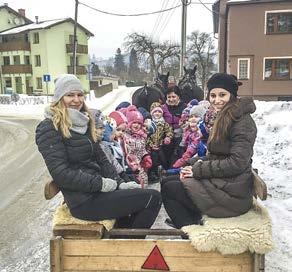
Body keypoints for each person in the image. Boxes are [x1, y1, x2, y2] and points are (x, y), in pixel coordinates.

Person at [35, 74, 161, 230]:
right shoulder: (49, 127)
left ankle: (120, 239)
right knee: (152, 198)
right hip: (83, 201)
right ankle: (127, 245)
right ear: (59, 97)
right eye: (70, 95)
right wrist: (100, 184)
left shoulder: (83, 122)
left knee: (137, 190)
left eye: (80, 95)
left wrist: (120, 183)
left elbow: (101, 159)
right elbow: (61, 174)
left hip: (97, 193)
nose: (76, 99)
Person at [161, 73, 257, 228]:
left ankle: (189, 230)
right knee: (168, 180)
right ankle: (189, 220)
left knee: (170, 189)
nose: (217, 100)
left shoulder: (242, 122)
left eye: (222, 95)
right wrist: (190, 163)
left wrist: (197, 170)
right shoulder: (226, 115)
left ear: (232, 95)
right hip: (225, 183)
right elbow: (216, 155)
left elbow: (236, 163)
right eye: (213, 95)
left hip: (233, 193)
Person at [147, 102, 173, 182]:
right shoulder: (149, 124)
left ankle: (163, 171)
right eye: (155, 112)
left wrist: (168, 137)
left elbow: (169, 130)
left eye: (159, 112)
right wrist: (150, 144)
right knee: (153, 160)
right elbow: (145, 136)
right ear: (152, 113)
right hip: (152, 147)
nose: (157, 113)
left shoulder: (164, 123)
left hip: (161, 145)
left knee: (163, 158)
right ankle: (153, 173)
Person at [161, 85, 186, 168]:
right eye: (169, 97)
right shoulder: (163, 108)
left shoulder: (184, 107)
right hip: (167, 134)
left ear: (178, 96)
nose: (171, 99)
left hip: (180, 134)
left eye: (173, 97)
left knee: (179, 148)